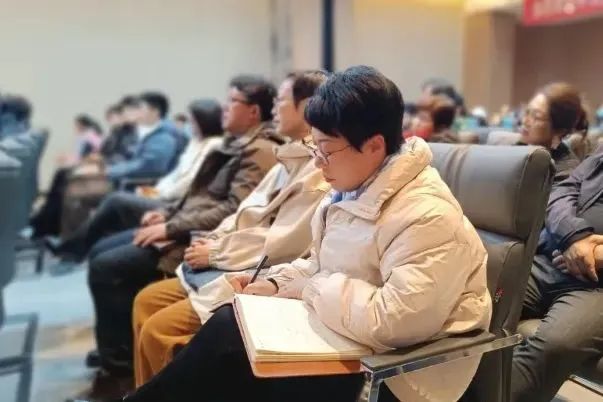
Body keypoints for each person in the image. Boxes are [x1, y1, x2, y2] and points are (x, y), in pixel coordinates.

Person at [106, 66, 491, 402]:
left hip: (399, 375)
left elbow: (394, 321)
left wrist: (309, 288)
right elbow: (319, 264)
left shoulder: (426, 215)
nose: (318, 163)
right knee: (231, 322)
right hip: (349, 336)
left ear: (374, 146)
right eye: (314, 148)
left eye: (326, 150)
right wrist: (276, 285)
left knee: (229, 346)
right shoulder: (354, 188)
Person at [72, 75, 282, 386]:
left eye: (232, 102)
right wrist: (167, 215)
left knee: (107, 266)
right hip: (189, 227)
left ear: (253, 112)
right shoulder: (237, 143)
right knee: (102, 253)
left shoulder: (261, 150)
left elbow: (232, 210)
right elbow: (200, 195)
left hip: (197, 238)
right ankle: (118, 350)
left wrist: (171, 227)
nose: (224, 108)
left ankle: (117, 368)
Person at [131, 70, 330, 386]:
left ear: (306, 107)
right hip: (234, 255)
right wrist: (213, 239)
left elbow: (283, 242)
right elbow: (243, 211)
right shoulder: (286, 157)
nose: (274, 108)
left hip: (254, 267)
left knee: (159, 329)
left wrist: (215, 250)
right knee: (146, 301)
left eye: (280, 101)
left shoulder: (315, 167)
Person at [512, 145, 603, 402]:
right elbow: (562, 191)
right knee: (475, 298)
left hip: (596, 288)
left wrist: (596, 255)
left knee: (556, 344)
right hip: (551, 258)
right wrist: (573, 236)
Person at [140, 99, 224, 203]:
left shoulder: (214, 144)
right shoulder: (195, 141)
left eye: (192, 121)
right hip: (168, 196)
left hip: (181, 202)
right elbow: (177, 172)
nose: (190, 126)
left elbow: (190, 181)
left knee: (122, 200)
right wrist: (156, 191)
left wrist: (162, 195)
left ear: (204, 122)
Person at [519, 82, 586, 183]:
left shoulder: (566, 175)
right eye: (527, 112)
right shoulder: (510, 146)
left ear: (559, 131)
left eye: (536, 117)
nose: (525, 121)